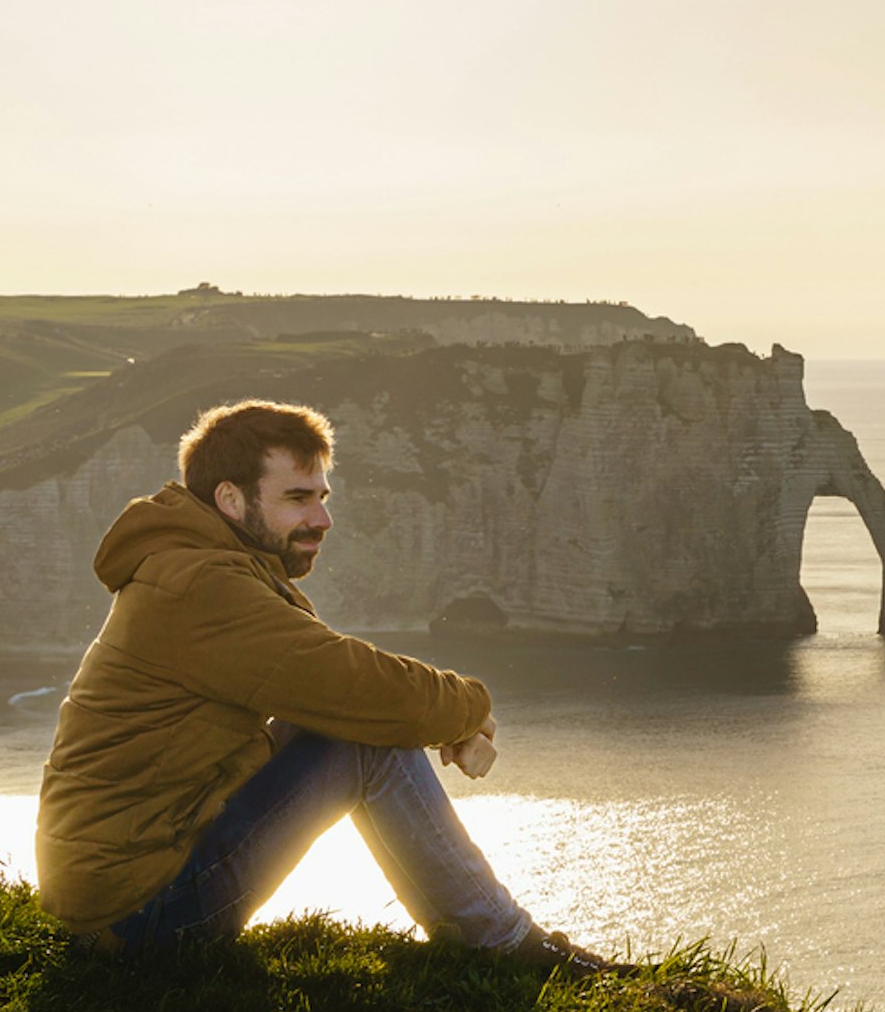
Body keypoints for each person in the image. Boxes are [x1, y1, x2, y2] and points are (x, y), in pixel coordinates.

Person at [34, 397, 608, 965]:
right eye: (297, 498)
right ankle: (506, 947)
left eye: (323, 498)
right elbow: (360, 687)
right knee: (364, 742)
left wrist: (426, 716)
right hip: (141, 917)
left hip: (112, 895)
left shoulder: (197, 561)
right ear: (230, 499)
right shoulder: (201, 585)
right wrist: (470, 709)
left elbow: (331, 684)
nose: (322, 519)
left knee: (354, 719)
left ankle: (488, 938)